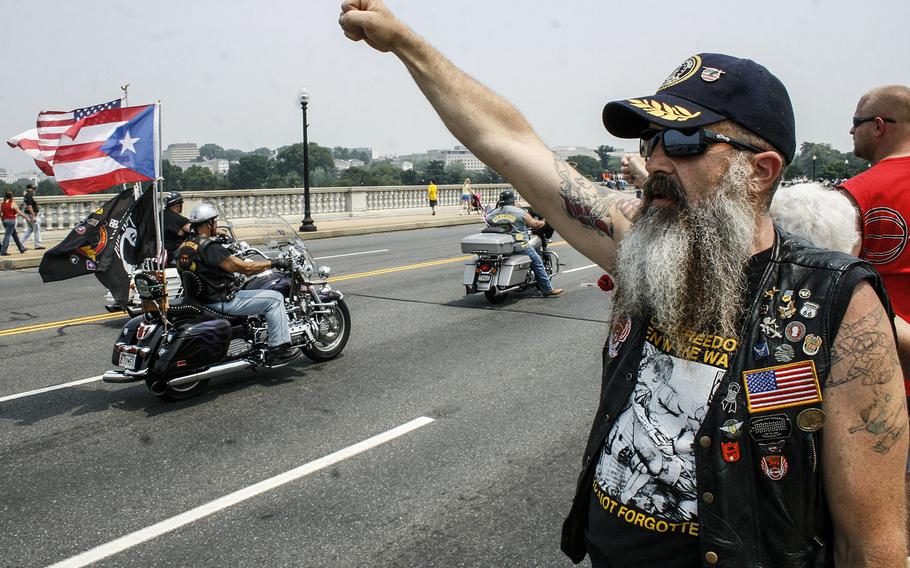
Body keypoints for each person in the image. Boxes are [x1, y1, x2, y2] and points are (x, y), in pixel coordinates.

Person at [340, 4, 907, 565]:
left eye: (685, 143)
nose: (658, 160)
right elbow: (511, 144)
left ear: (759, 171)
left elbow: (872, 541)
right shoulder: (638, 243)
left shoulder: (832, 300)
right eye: (651, 141)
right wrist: (406, 45)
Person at [174, 203, 299, 365]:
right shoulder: (210, 248)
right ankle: (278, 346)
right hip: (222, 301)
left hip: (201, 300)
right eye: (215, 222)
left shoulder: (185, 247)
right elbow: (246, 268)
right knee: (274, 299)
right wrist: (274, 262)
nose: (217, 225)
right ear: (209, 224)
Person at [486, 189, 562, 297]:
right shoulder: (519, 212)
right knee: (537, 262)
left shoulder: (492, 214)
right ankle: (547, 289)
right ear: (512, 201)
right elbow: (534, 224)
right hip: (519, 245)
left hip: (501, 246)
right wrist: (544, 222)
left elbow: (488, 222)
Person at [163, 191, 191, 263]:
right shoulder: (180, 220)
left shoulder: (158, 216)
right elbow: (198, 229)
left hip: (160, 256)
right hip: (173, 256)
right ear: (178, 205)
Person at [1, 191, 28, 256]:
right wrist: (26, 217)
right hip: (11, 221)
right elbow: (19, 212)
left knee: (15, 236)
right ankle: (3, 251)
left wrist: (3, 219)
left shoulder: (2, 204)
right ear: (12, 196)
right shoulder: (13, 203)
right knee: (7, 236)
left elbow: (0, 213)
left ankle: (21, 248)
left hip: (4, 221)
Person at [20, 184, 43, 250]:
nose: (33, 190)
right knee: (36, 229)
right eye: (32, 189)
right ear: (28, 189)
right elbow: (29, 206)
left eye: (34, 189)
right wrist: (33, 216)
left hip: (28, 214)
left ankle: (20, 242)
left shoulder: (26, 196)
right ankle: (37, 244)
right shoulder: (29, 196)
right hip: (31, 215)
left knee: (30, 229)